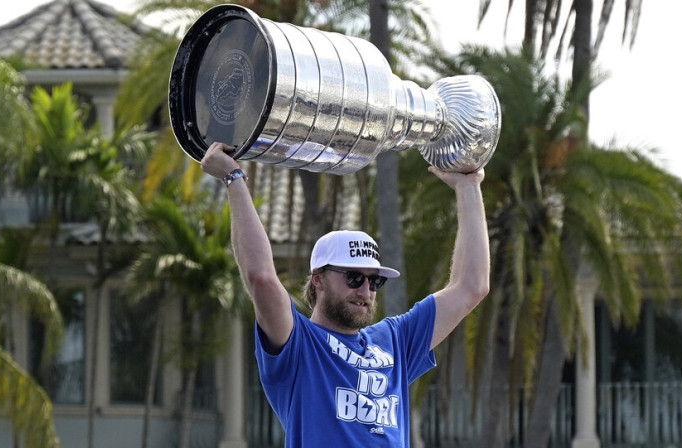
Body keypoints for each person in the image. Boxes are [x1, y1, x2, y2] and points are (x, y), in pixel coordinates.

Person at [200, 141, 490, 447]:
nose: (365, 290)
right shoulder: (299, 344)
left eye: (374, 282)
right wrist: (233, 177)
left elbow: (472, 286)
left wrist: (468, 185)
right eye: (353, 278)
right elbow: (261, 278)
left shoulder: (396, 340)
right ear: (318, 280)